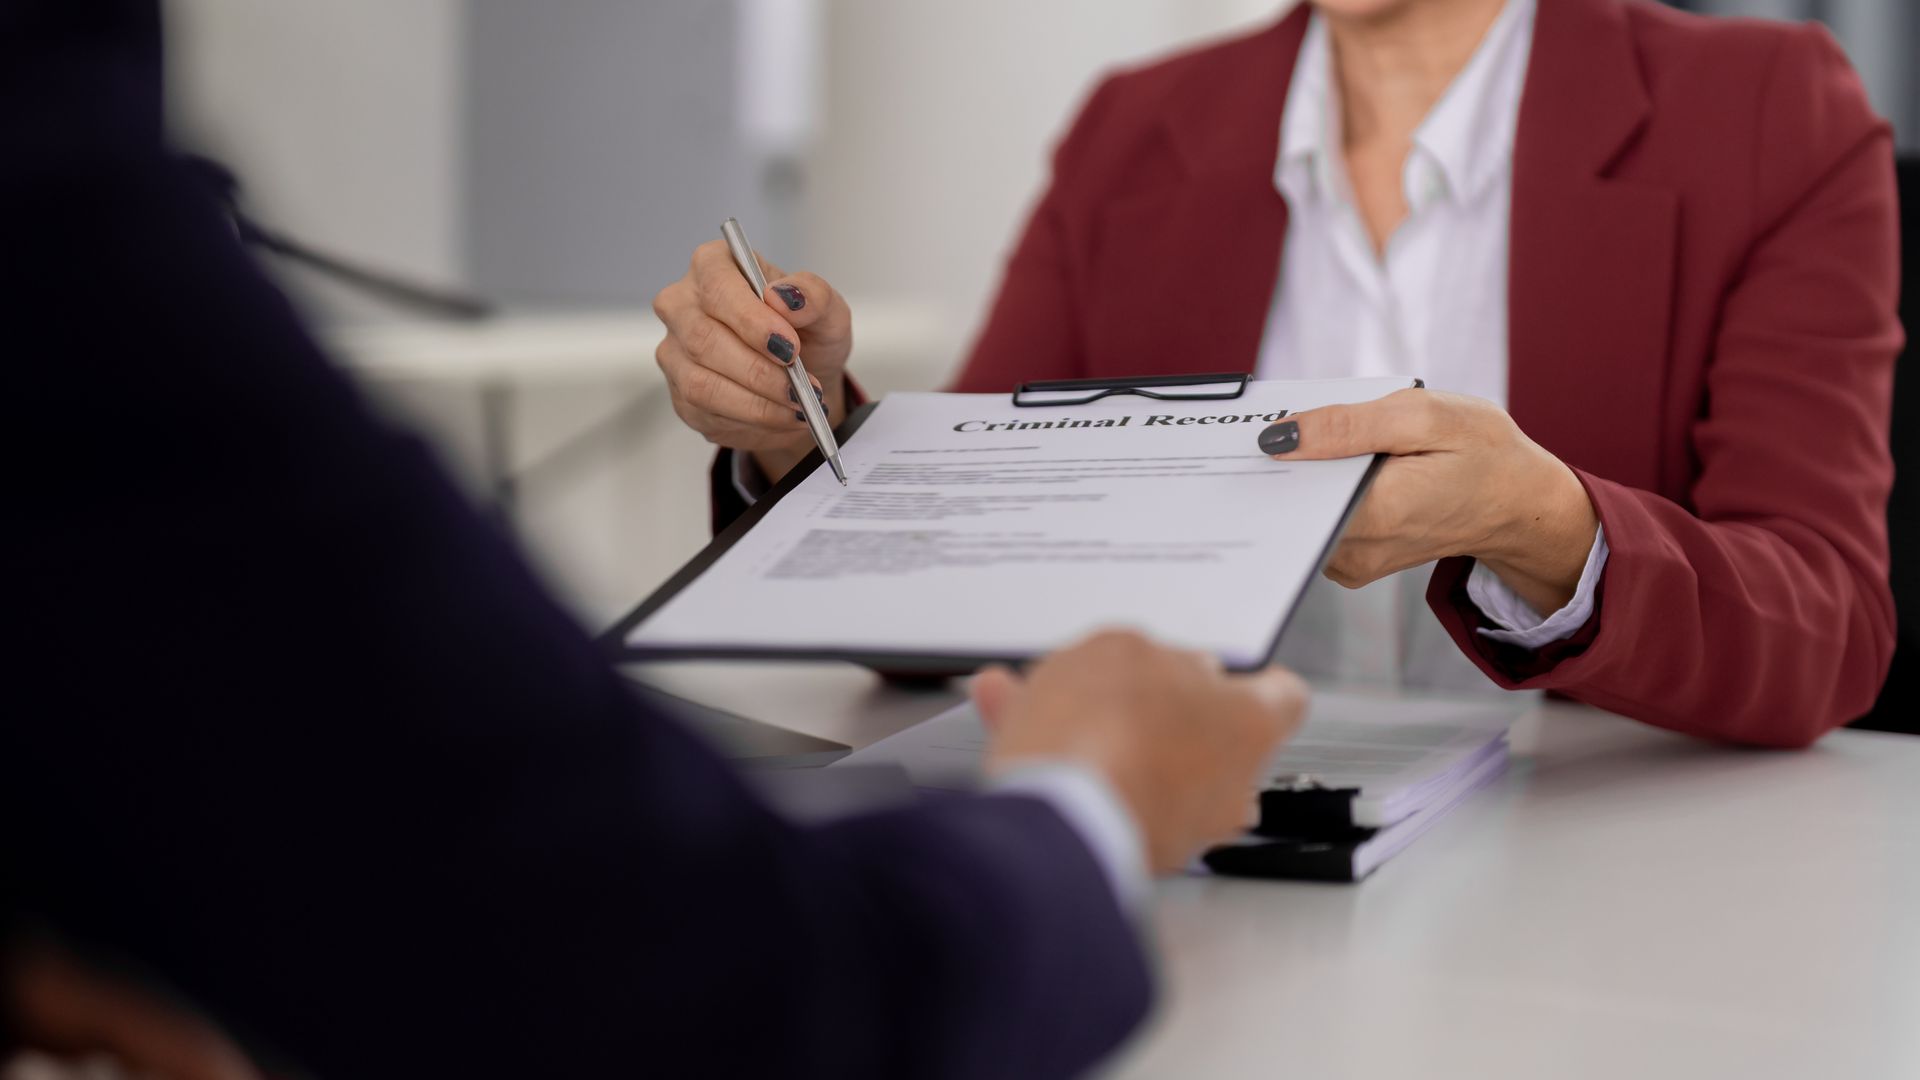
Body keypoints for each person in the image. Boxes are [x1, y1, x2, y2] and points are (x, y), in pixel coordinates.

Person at [2, 2, 1309, 1078]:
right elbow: (699, 981)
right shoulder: (1143, 122)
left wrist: (1492, 536)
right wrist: (802, 441)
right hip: (1236, 923)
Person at [655, 0, 1902, 748]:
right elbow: (953, 587)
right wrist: (797, 430)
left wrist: (1549, 527)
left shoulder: (1771, 110)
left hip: (1606, 884)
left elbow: (1832, 629)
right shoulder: (1132, 129)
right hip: (1208, 853)